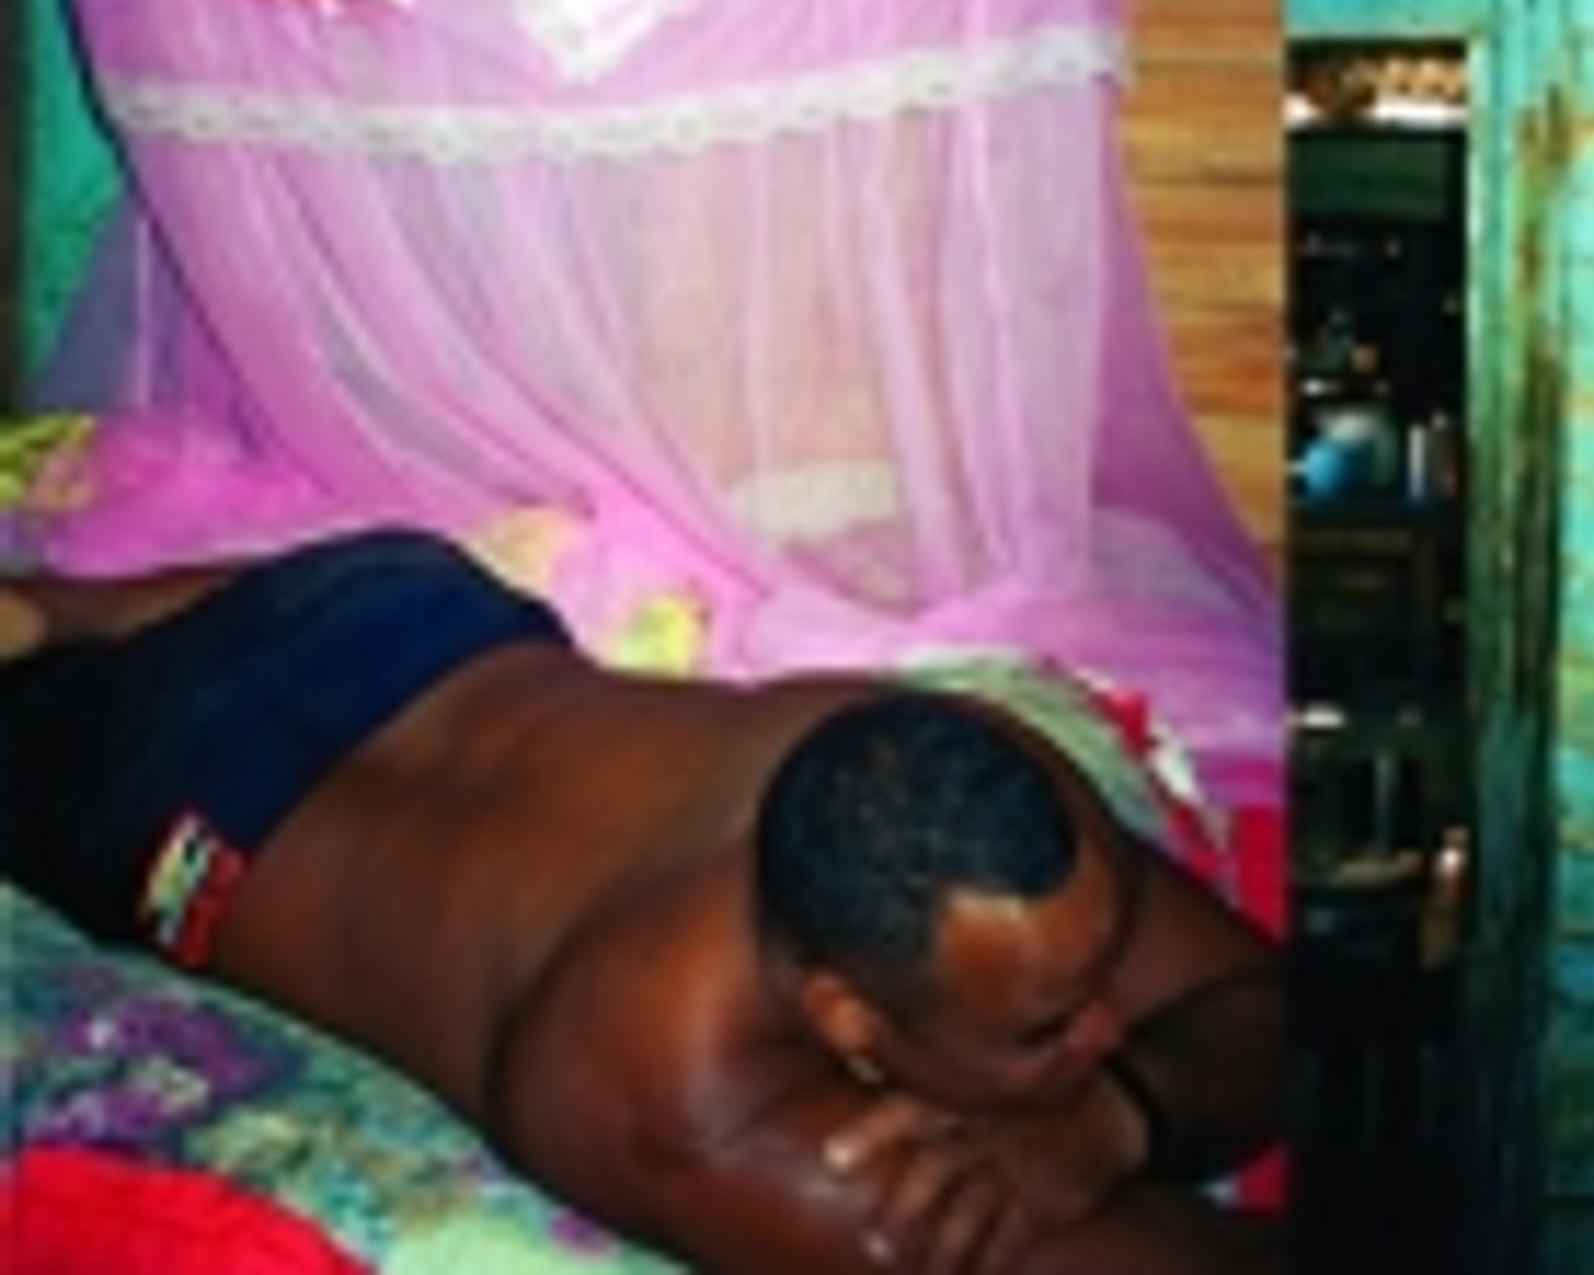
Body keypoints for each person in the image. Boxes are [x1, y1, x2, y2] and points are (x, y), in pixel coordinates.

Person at [0, 527, 1288, 1274]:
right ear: (844, 1017)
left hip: (400, 612)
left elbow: (1263, 1000)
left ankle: (45, 605)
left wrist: (1118, 1116)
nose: (1104, 1029)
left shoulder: (947, 766)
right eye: (1045, 1031)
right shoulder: (679, 1103)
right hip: (192, 799)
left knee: (81, 620)